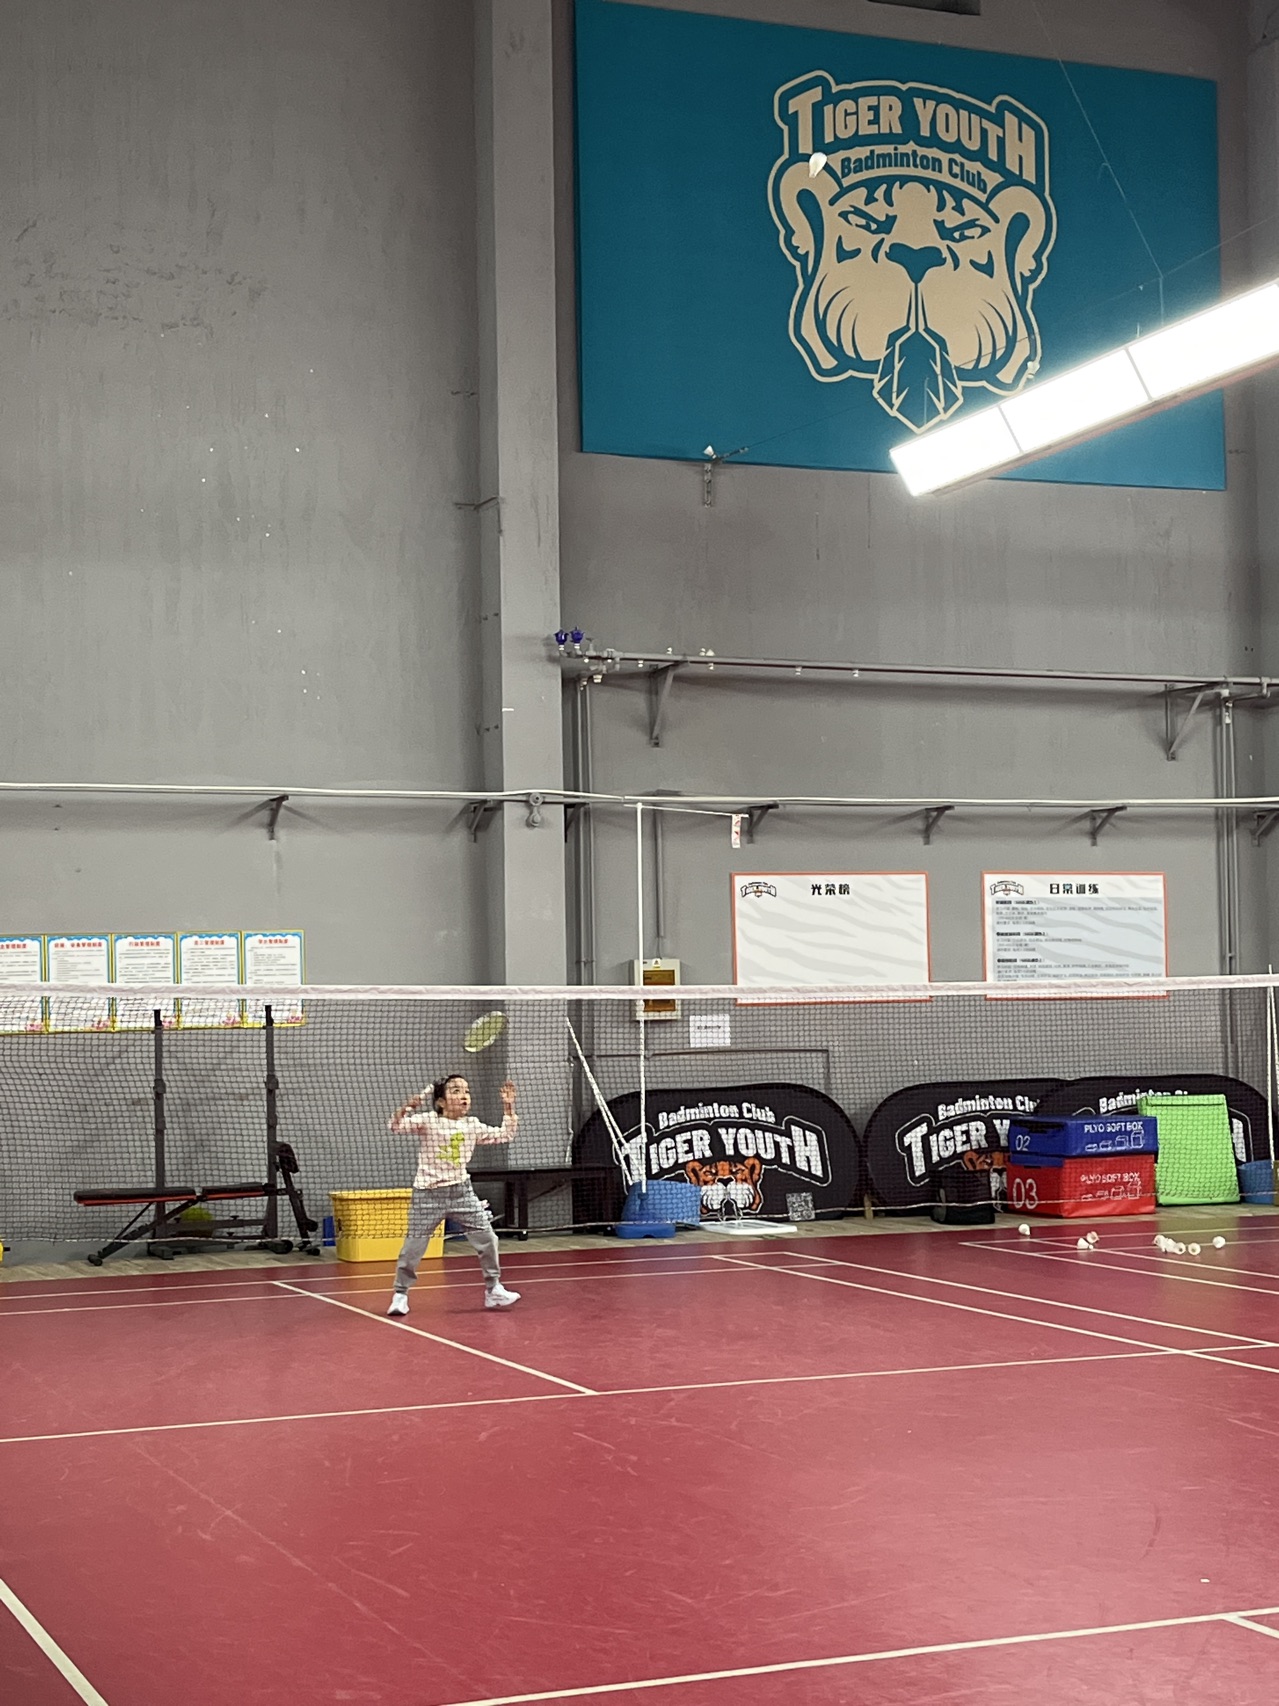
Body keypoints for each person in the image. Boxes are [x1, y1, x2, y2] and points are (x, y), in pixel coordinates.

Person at [386, 1073, 520, 1313]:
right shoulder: (428, 1121)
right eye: (456, 1091)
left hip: (462, 1193)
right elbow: (395, 1126)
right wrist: (406, 1107)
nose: (464, 1096)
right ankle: (400, 1294)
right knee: (413, 1246)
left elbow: (505, 1134)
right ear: (441, 1101)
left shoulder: (472, 1125)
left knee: (488, 1238)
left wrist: (508, 1107)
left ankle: (493, 1290)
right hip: (428, 1195)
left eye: (466, 1091)